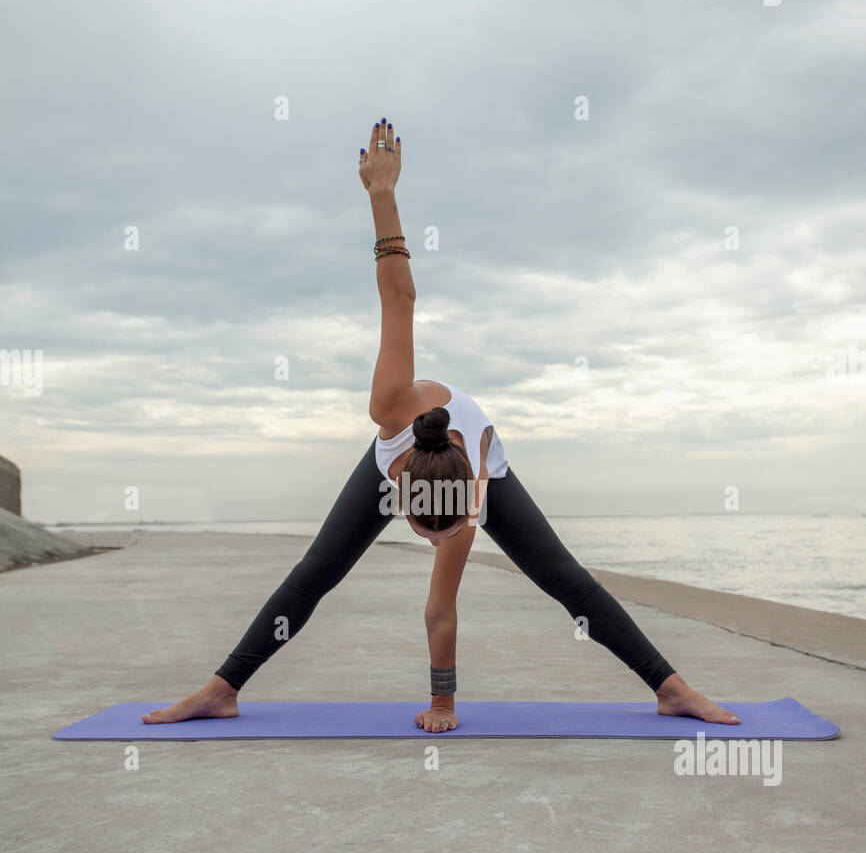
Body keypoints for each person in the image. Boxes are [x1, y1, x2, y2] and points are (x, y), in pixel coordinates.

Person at [144, 116, 739, 733]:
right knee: (316, 571)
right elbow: (400, 297)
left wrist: (444, 705)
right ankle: (221, 689)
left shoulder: (470, 493)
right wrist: (383, 196)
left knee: (564, 578)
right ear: (397, 490)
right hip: (412, 444)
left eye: (442, 533)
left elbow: (440, 609)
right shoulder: (391, 404)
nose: (435, 543)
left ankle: (672, 689)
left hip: (471, 466)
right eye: (427, 532)